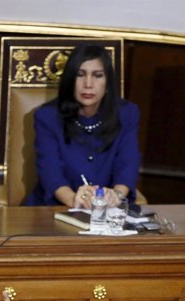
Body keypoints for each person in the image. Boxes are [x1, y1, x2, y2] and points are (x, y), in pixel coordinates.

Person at [24, 44, 141, 208]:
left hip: (109, 212)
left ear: (108, 82)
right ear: (70, 80)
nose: (88, 84)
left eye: (98, 76)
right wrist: (73, 199)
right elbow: (50, 171)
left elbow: (127, 164)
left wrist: (116, 196)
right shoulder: (47, 117)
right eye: (80, 75)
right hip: (55, 208)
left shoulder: (127, 114)